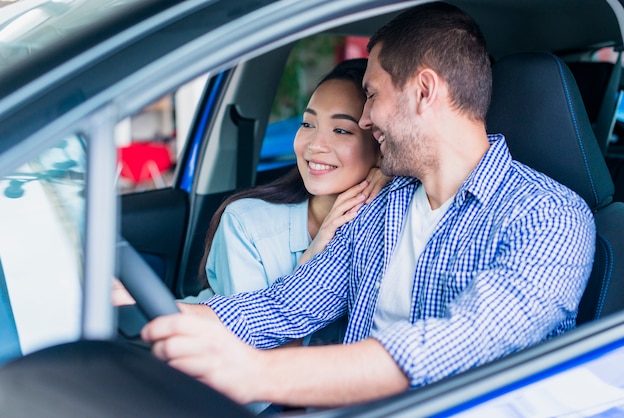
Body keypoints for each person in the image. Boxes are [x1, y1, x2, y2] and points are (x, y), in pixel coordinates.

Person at [141, 2, 596, 409]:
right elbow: (282, 307)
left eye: (373, 95)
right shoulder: (381, 206)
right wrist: (149, 306)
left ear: (424, 91)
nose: (364, 118)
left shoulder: (549, 216)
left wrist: (257, 375)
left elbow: (463, 343)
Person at [184, 58, 386, 302]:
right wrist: (311, 259)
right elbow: (256, 338)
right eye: (308, 124)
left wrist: (387, 171)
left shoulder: (398, 221)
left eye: (341, 130)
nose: (315, 145)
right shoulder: (247, 225)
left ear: (381, 144)